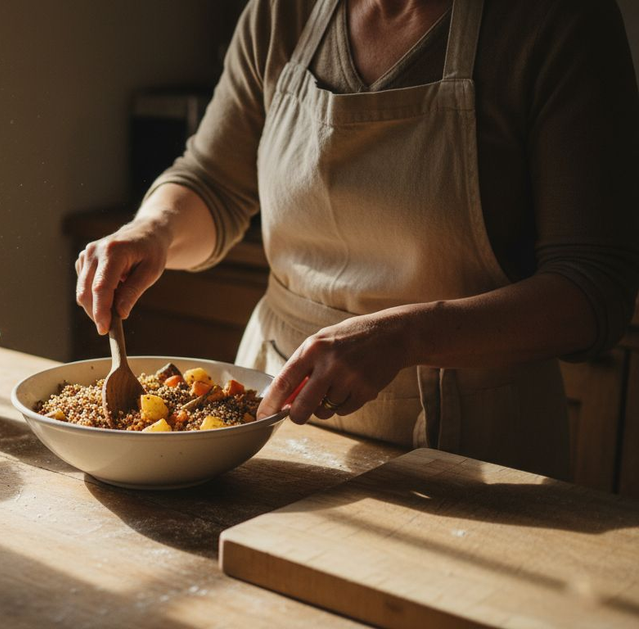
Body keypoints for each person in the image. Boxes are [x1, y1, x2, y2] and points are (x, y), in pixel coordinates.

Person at [74, 0, 639, 479]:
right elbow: (213, 182)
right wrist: (154, 230)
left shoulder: (558, 21)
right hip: (277, 419)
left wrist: (407, 335)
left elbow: (595, 290)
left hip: (476, 450)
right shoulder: (284, 11)